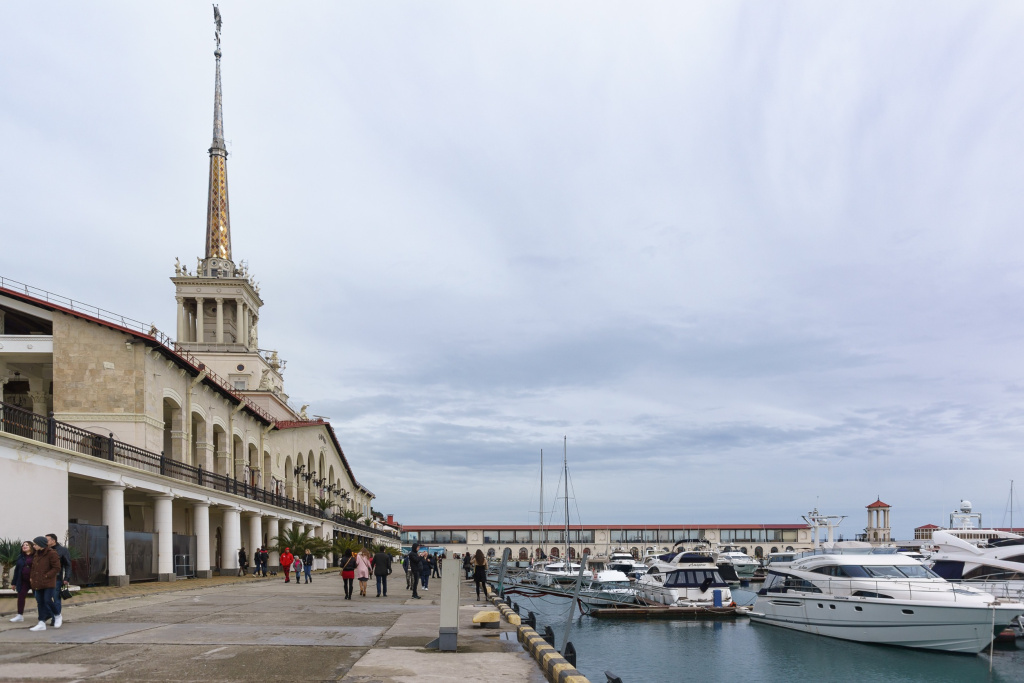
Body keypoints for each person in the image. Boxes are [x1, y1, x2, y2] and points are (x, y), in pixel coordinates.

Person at [28, 536, 62, 631]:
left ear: (41, 544)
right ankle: (41, 622)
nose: (33, 546)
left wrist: (47, 575)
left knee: (47, 600)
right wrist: (31, 577)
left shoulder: (52, 553)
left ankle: (57, 615)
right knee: (40, 602)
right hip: (37, 582)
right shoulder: (36, 554)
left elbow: (56, 568)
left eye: (35, 544)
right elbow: (33, 567)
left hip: (48, 582)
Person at [45, 534, 71, 624]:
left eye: (47, 540)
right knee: (45, 599)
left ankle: (56, 618)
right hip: (45, 578)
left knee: (56, 598)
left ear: (53, 540)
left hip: (57, 578)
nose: (45, 542)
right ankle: (51, 614)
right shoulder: (44, 550)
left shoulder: (62, 550)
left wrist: (66, 578)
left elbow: (68, 565)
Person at [9, 541, 34, 623]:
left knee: (40, 597)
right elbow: (17, 570)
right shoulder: (20, 557)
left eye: (27, 545)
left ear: (31, 546)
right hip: (23, 581)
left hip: (34, 581)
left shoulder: (36, 556)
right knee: (21, 596)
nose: (24, 546)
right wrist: (14, 583)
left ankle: (47, 614)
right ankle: (20, 615)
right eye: (23, 545)